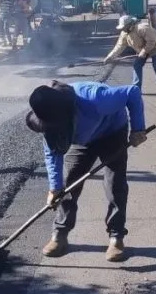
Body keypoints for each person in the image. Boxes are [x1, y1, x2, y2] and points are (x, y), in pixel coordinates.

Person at [25, 80, 149, 262]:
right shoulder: (50, 120)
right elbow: (52, 152)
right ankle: (59, 234)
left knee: (115, 184)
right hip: (82, 141)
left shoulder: (96, 99)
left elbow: (132, 92)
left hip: (112, 132)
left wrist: (138, 128)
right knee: (66, 187)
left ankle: (116, 237)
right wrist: (54, 188)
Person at [104, 15, 156, 95]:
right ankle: (136, 89)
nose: (122, 29)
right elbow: (119, 46)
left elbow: (152, 41)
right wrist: (110, 57)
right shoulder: (124, 33)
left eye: (124, 27)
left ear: (129, 24)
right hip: (142, 49)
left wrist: (144, 51)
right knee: (137, 65)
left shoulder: (142, 28)